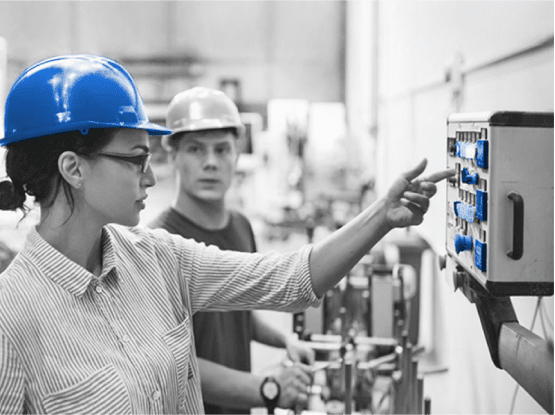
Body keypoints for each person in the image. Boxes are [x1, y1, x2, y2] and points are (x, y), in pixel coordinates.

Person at [0, 54, 454, 415]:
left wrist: (381, 216)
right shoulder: (11, 319)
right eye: (136, 159)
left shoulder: (157, 259)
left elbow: (289, 280)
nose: (151, 178)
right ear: (73, 168)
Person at [148, 86, 315, 414]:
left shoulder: (241, 227)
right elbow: (168, 361)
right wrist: (267, 389)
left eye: (222, 150)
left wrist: (285, 342)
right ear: (172, 155)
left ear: (237, 155)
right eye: (196, 149)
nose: (210, 162)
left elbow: (237, 314)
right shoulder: (156, 242)